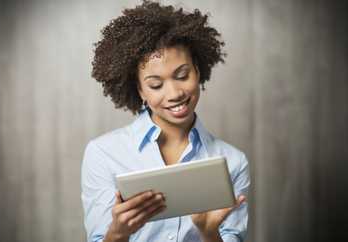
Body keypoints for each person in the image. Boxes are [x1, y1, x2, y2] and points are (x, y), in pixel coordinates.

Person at [81, 1, 250, 242]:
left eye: (182, 75)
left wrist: (210, 233)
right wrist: (117, 234)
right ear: (139, 89)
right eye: (155, 85)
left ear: (198, 71)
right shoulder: (103, 154)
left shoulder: (233, 161)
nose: (174, 94)